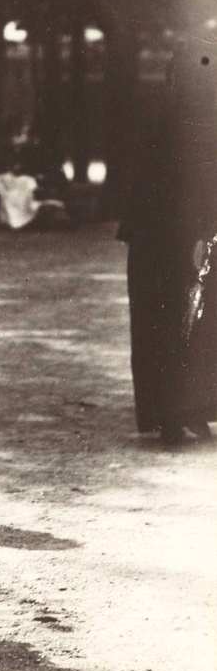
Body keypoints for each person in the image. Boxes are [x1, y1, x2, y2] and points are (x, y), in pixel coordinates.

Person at [119, 40, 217, 446]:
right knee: (186, 323)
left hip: (159, 236)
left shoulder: (161, 115)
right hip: (173, 235)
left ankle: (179, 412)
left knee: (167, 323)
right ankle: (182, 413)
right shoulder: (194, 121)